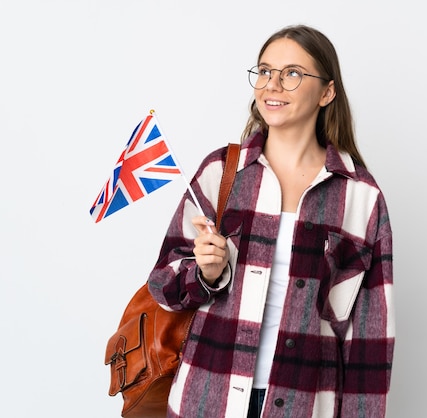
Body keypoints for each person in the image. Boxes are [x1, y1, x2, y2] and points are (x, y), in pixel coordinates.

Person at [148, 24, 394, 418]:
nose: (272, 85)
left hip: (306, 403)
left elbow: (370, 336)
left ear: (327, 92)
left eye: (292, 73)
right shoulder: (222, 172)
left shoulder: (361, 196)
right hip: (208, 397)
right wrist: (206, 274)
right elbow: (163, 285)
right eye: (264, 72)